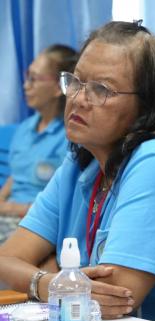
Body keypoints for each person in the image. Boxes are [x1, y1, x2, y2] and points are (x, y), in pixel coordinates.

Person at [0, 20, 155, 321]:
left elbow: (115, 298)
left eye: (101, 89)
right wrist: (49, 282)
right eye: (76, 81)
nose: (78, 99)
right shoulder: (80, 163)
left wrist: (45, 273)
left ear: (147, 105)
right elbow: (6, 260)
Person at [0, 44, 77, 243]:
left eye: (34, 79)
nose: (26, 86)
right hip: (6, 217)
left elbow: (67, 200)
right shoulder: (24, 129)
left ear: (58, 88)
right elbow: (15, 175)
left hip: (36, 222)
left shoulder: (70, 137)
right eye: (27, 77)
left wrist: (13, 208)